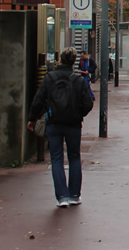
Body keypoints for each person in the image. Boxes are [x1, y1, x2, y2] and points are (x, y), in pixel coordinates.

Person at [29, 47, 94, 208]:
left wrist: (32, 119)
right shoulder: (78, 80)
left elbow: (38, 99)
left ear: (60, 60)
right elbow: (88, 103)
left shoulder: (50, 78)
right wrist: (78, 115)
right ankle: (74, 195)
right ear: (74, 61)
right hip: (73, 124)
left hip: (54, 123)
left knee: (56, 159)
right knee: (74, 157)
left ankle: (62, 197)